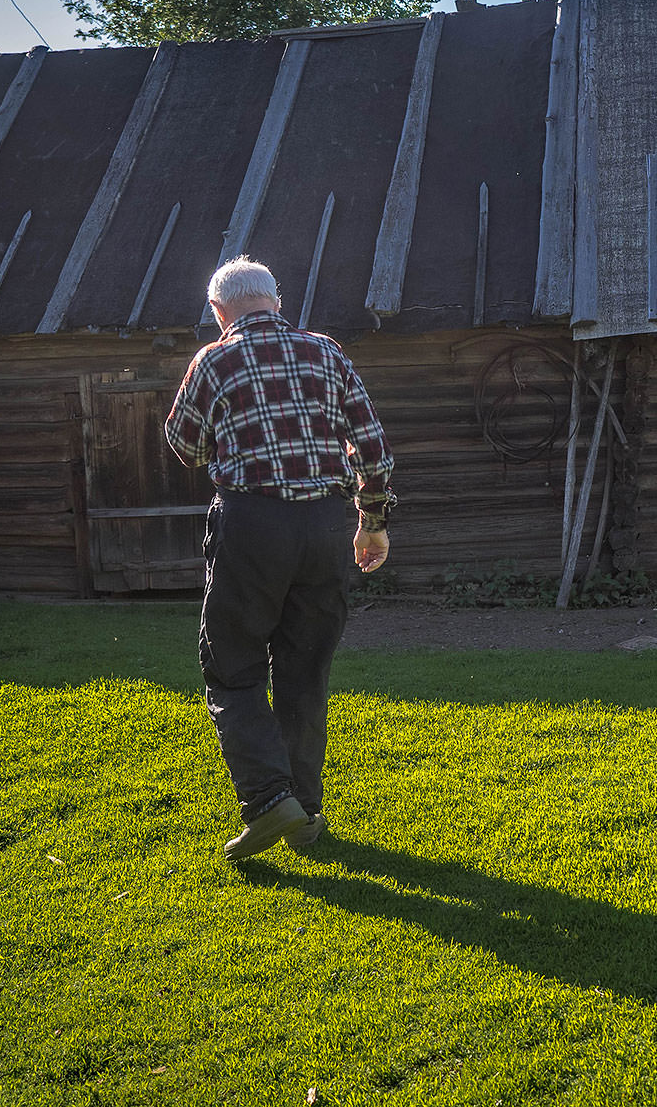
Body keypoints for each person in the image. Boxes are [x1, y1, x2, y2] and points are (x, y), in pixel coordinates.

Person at [165, 256, 394, 861]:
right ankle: (305, 810)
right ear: (275, 300)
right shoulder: (328, 353)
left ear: (220, 312)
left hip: (251, 524)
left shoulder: (213, 360)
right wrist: (372, 526)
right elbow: (371, 447)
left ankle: (268, 800)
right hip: (326, 526)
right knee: (305, 668)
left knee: (233, 665)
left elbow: (184, 446)